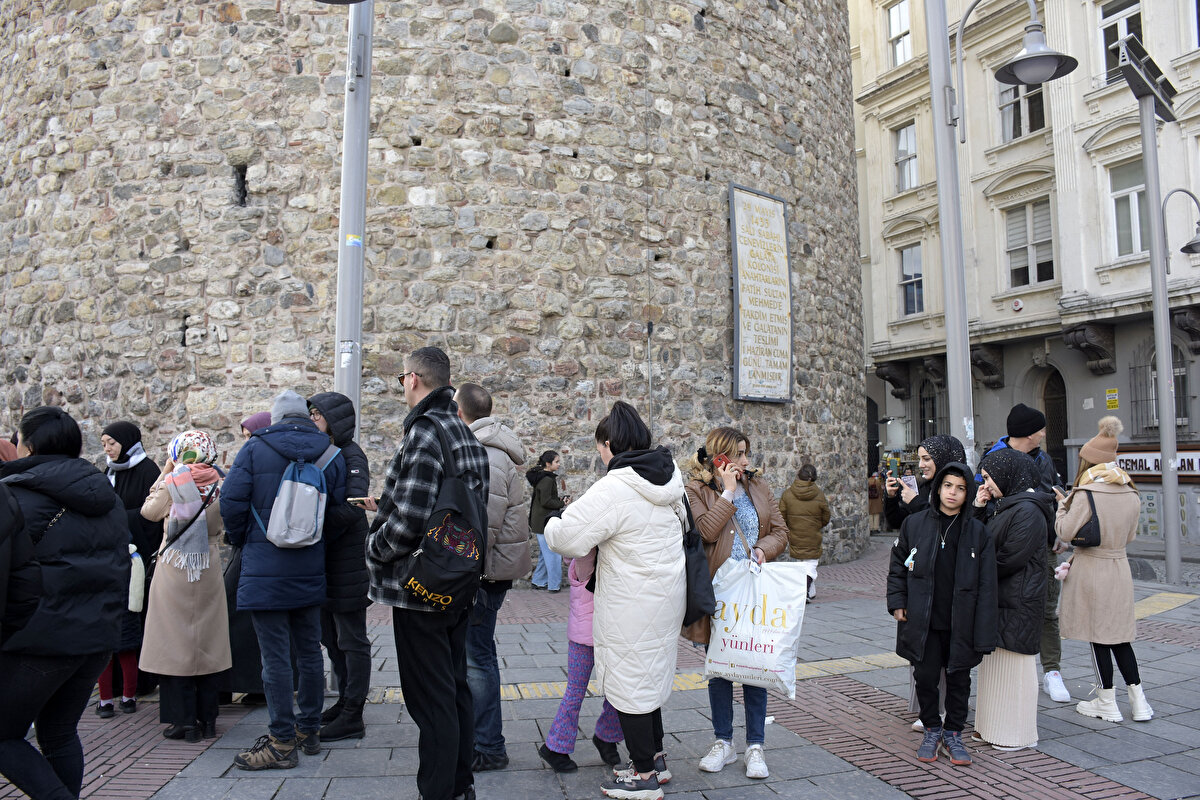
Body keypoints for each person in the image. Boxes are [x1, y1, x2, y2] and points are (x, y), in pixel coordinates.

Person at [366, 347, 489, 800]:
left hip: (420, 587)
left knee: (429, 698)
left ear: (412, 379)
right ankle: (460, 784)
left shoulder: (424, 433)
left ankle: (438, 791)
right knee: (454, 687)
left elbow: (410, 519)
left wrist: (374, 546)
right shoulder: (464, 432)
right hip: (457, 581)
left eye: (401, 377)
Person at [546, 401, 686, 800]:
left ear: (609, 445)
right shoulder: (671, 476)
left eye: (600, 449)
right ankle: (656, 760)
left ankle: (642, 775)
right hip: (666, 597)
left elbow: (566, 538)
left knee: (629, 685)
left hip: (629, 602)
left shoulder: (615, 486)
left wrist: (556, 519)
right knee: (651, 676)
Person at [0, 407, 129, 800]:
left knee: (4, 736)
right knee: (58, 732)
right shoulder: (105, 494)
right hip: (96, 636)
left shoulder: (16, 496)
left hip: (39, 639)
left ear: (31, 444)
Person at [221, 390, 348, 770]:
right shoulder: (331, 453)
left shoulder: (255, 449)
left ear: (276, 418)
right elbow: (338, 512)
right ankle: (309, 730)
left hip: (264, 567)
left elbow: (231, 501)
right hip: (309, 566)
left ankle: (280, 742)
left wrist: (245, 539)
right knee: (309, 651)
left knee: (274, 657)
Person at [681, 427, 788, 780]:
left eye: (746, 452)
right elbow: (707, 533)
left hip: (753, 590)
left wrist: (762, 549)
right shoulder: (696, 489)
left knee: (755, 666)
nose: (745, 460)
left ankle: (755, 746)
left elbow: (780, 532)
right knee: (721, 668)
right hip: (720, 592)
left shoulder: (758, 486)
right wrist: (727, 492)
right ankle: (723, 743)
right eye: (738, 454)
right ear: (719, 457)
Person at [886, 461, 997, 768]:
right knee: (924, 676)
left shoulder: (977, 532)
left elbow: (988, 584)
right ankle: (932, 728)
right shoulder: (916, 524)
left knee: (959, 677)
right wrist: (897, 602)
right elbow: (899, 566)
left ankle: (954, 732)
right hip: (923, 618)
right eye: (948, 486)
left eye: (961, 488)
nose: (953, 493)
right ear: (938, 489)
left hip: (962, 620)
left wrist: (985, 627)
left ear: (968, 493)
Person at [453, 382, 532, 773]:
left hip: (482, 575)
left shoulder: (485, 456)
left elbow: (484, 525)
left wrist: (459, 571)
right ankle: (481, 739)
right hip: (490, 572)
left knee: (477, 658)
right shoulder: (493, 451)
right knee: (476, 655)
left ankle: (489, 746)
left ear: (460, 411)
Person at [1054, 417, 1151, 723]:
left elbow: (1066, 532)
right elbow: (1131, 536)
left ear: (1088, 460)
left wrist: (1062, 506)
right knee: (1120, 636)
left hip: (1093, 568)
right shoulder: (1131, 492)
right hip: (1119, 567)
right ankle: (1139, 701)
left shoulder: (1086, 493)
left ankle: (1106, 699)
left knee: (1098, 636)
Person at [139, 431, 232, 742]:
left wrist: (165, 472)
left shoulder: (173, 481)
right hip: (208, 564)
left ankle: (183, 722)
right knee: (206, 644)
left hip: (176, 566)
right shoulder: (222, 482)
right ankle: (208, 720)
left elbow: (149, 512)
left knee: (174, 645)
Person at [979, 402, 1069, 703]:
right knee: (1012, 606)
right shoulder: (994, 459)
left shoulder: (1043, 459)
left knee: (1045, 607)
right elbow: (987, 503)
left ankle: (1052, 671)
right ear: (1027, 433)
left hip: (1043, 545)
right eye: (1040, 429)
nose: (1044, 433)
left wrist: (1058, 530)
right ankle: (1014, 668)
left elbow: (1053, 495)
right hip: (1010, 543)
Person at [971, 448, 1049, 751]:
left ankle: (1013, 734)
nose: (986, 484)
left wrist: (975, 566)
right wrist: (979, 506)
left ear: (1007, 476)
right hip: (1003, 599)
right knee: (996, 666)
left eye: (989, 478)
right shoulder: (1007, 506)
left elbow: (1007, 558)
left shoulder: (1027, 511)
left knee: (1013, 669)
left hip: (1018, 603)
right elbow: (979, 538)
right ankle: (991, 728)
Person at [307, 391, 373, 742]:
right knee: (330, 638)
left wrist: (314, 525)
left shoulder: (351, 454)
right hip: (325, 562)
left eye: (318, 413)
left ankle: (353, 713)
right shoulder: (321, 452)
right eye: (312, 413)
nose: (313, 418)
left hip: (346, 561)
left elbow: (353, 505)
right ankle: (345, 700)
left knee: (351, 640)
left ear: (335, 419)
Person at [95, 421, 162, 716]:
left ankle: (138, 686)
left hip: (139, 558)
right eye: (104, 444)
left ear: (126, 441)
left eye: (111, 443)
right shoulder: (109, 472)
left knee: (136, 622)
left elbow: (154, 513)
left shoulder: (148, 470)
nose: (108, 449)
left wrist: (120, 517)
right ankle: (114, 692)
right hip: (112, 560)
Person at [538, 548, 625, 773]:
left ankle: (607, 736)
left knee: (619, 690)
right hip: (587, 636)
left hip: (612, 633)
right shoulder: (585, 555)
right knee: (577, 691)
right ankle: (555, 747)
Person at [220, 412, 272, 706]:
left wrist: (238, 534)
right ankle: (249, 684)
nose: (247, 443)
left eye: (250, 436)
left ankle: (250, 684)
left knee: (240, 615)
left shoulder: (256, 459)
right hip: (259, 547)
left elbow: (233, 499)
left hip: (251, 546)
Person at [883, 435, 966, 532]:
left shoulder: (964, 490)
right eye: (920, 459)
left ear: (942, 458)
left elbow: (945, 523)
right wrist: (891, 497)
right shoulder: (924, 487)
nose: (921, 465)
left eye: (926, 459)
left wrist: (915, 502)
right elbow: (896, 522)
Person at [779, 463, 831, 601]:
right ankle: (804, 591)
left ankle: (810, 592)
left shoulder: (787, 494)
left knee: (803, 564)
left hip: (794, 534)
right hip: (813, 535)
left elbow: (781, 516)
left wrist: (790, 527)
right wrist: (816, 525)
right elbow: (826, 516)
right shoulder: (819, 495)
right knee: (811, 564)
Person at [528, 450, 566, 592]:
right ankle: (554, 585)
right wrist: (562, 503)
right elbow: (546, 501)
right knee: (553, 554)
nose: (559, 464)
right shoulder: (546, 479)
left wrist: (559, 501)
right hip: (544, 522)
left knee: (545, 555)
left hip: (540, 521)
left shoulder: (542, 477)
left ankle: (538, 581)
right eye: (556, 461)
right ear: (548, 463)